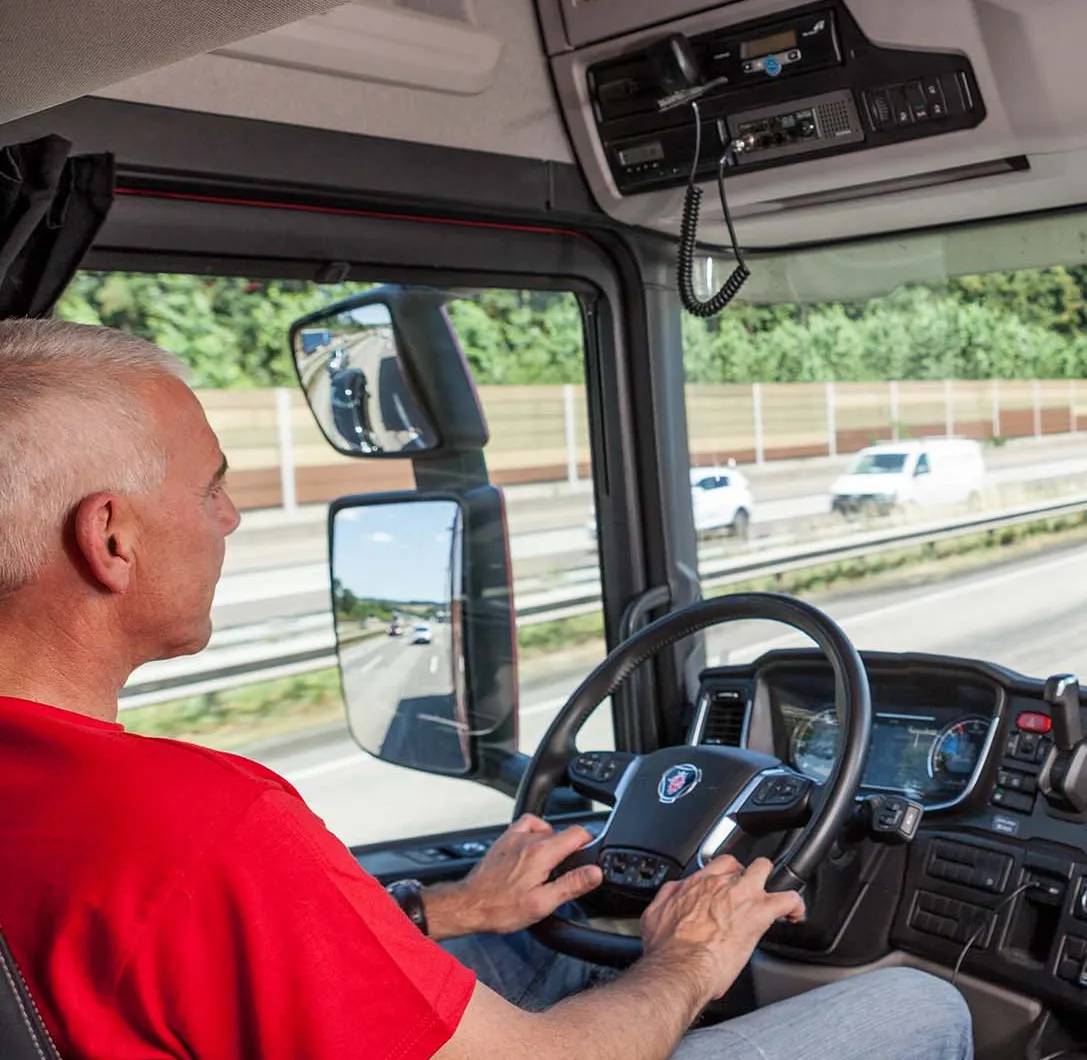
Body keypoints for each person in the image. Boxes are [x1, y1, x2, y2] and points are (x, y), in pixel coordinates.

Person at [0, 319, 974, 1060]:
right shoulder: (207, 825)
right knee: (924, 1007)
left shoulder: (80, 804)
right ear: (111, 538)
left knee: (553, 951)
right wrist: (692, 956)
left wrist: (452, 908)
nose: (232, 515)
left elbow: (191, 964)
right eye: (210, 487)